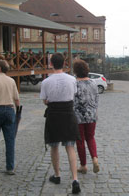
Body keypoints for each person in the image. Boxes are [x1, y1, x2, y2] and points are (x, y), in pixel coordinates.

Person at [40, 53, 81, 194]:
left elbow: (45, 100)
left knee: (54, 146)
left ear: (51, 64)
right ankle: (75, 179)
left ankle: (57, 175)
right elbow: (73, 95)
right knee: (70, 147)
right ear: (64, 63)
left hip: (54, 115)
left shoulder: (46, 82)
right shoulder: (72, 79)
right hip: (68, 114)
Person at [73, 59, 100, 174]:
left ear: (76, 71)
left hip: (78, 116)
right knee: (91, 137)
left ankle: (83, 165)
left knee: (80, 141)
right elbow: (97, 99)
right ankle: (94, 158)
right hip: (91, 115)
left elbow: (72, 100)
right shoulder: (93, 83)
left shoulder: (74, 83)